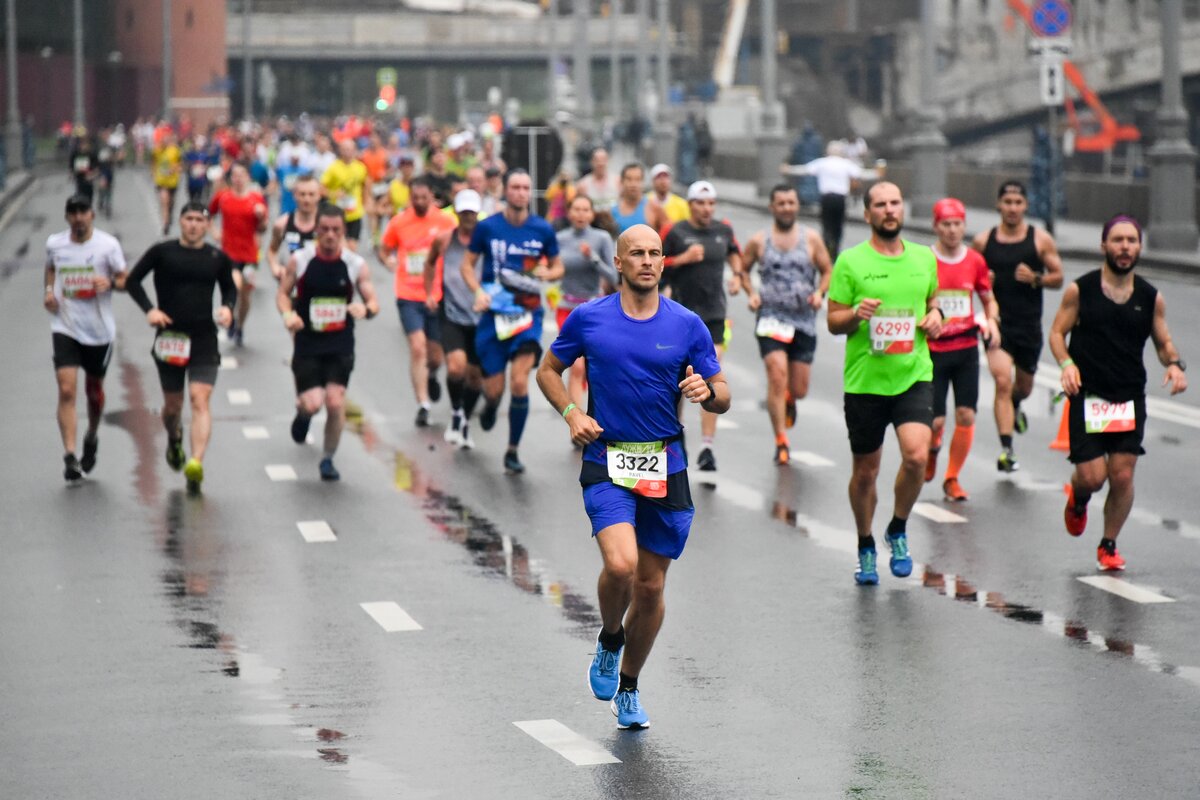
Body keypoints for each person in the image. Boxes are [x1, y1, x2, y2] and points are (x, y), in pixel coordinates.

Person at [536, 223, 730, 730]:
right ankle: (608, 636)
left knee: (650, 589)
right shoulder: (589, 319)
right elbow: (546, 371)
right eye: (636, 254)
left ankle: (629, 685)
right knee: (620, 567)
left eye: (655, 253)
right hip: (607, 458)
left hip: (665, 462)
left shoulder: (688, 325)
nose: (647, 261)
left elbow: (722, 389)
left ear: (664, 263)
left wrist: (708, 393)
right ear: (617, 264)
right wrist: (572, 414)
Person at [1049, 215, 1187, 571]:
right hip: (1088, 394)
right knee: (1093, 478)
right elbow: (1056, 334)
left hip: (1128, 396)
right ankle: (1078, 499)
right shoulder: (1081, 290)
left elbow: (1163, 342)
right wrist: (1066, 365)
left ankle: (1108, 544)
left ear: (1139, 247)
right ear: (1104, 246)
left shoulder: (1150, 297)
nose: (1125, 247)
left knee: (1122, 475)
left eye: (1131, 241)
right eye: (1118, 240)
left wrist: (1174, 364)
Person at [826, 182, 942, 586]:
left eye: (895, 202)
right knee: (865, 473)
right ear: (867, 213)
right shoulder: (850, 262)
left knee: (915, 457)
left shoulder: (925, 258)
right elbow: (833, 321)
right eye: (881, 204)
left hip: (913, 374)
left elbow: (932, 303)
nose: (890, 210)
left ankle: (897, 527)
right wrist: (856, 314)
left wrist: (936, 317)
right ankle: (864, 545)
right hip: (865, 382)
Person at [126, 202, 237, 494]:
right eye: (188, 219)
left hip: (203, 338)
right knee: (173, 407)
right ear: (180, 221)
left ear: (206, 224)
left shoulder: (216, 257)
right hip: (170, 338)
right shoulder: (162, 252)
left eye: (200, 220)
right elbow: (132, 280)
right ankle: (175, 439)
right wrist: (149, 310)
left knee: (200, 399)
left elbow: (230, 287)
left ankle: (196, 463)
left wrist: (228, 308)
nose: (193, 225)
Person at [461, 169, 564, 474]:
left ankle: (512, 450)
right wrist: (477, 291)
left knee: (520, 381)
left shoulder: (542, 229)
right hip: (494, 316)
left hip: (527, 315)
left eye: (525, 188)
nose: (520, 192)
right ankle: (490, 405)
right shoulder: (487, 227)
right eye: (515, 187)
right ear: (505, 191)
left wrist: (550, 273)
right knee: (494, 390)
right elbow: (468, 265)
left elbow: (557, 266)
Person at [278, 204, 380, 481]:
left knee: (335, 402)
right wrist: (288, 315)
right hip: (308, 342)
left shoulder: (354, 264)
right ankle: (302, 416)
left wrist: (366, 309)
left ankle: (327, 459)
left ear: (344, 231)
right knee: (312, 403)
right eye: (324, 229)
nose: (330, 235)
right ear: (316, 230)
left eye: (336, 230)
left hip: (340, 343)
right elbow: (283, 294)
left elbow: (372, 300)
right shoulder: (300, 260)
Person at [972, 180, 1063, 473]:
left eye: (1017, 203)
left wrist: (1037, 278)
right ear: (998, 205)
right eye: (1007, 202)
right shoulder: (983, 241)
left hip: (1028, 326)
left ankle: (1016, 404)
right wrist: (983, 281)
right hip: (996, 324)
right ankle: (1006, 450)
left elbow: (1058, 277)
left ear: (1025, 206)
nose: (1012, 208)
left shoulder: (1040, 240)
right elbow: (967, 277)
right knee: (1001, 381)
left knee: (1022, 388)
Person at [740, 184, 832, 464]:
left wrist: (820, 293)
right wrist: (752, 294)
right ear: (772, 207)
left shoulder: (811, 239)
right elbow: (743, 269)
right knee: (776, 373)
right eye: (781, 203)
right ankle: (781, 440)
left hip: (804, 319)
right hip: (771, 318)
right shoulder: (759, 240)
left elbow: (827, 269)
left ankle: (789, 398)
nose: (786, 208)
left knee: (800, 389)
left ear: (797, 205)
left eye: (791, 202)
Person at [661, 180, 744, 472]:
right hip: (681, 319)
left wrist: (737, 274)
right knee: (680, 382)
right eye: (701, 203)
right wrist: (682, 259)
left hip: (714, 317)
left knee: (712, 377)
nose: (707, 209)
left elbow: (734, 251)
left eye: (711, 204)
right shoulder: (676, 231)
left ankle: (707, 446)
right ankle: (677, 437)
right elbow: (656, 263)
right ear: (690, 204)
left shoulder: (723, 230)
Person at [44, 194, 128, 482]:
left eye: (83, 212)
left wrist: (111, 283)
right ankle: (69, 455)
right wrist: (48, 291)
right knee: (67, 390)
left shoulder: (107, 246)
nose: (78, 218)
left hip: (98, 331)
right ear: (67, 217)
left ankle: (91, 436)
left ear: (92, 215)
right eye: (73, 213)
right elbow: (51, 267)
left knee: (94, 393)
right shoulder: (55, 243)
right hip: (65, 326)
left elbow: (124, 279)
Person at [926, 198, 1001, 501]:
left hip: (966, 349)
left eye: (958, 224)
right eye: (946, 224)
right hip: (933, 349)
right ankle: (932, 450)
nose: (953, 230)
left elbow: (988, 298)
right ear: (936, 226)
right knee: (935, 421)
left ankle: (952, 477)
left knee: (966, 415)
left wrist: (992, 321)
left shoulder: (975, 261)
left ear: (964, 226)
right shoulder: (925, 260)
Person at [379, 176, 457, 426]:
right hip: (408, 294)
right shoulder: (399, 222)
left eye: (425, 198)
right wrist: (387, 260)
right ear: (410, 197)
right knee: (417, 347)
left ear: (432, 197)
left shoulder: (446, 221)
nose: (420, 202)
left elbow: (459, 249)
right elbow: (385, 248)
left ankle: (432, 373)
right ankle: (423, 404)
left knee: (435, 356)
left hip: (437, 295)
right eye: (416, 198)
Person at [425, 190, 486, 448]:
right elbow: (429, 264)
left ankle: (465, 421)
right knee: (456, 367)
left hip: (481, 317)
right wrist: (429, 292)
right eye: (464, 212)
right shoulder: (444, 239)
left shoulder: (486, 241)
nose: (468, 217)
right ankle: (456, 412)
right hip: (451, 313)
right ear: (457, 213)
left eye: (472, 212)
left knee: (476, 378)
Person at [556, 195, 618, 409]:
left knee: (587, 367)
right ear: (569, 213)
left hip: (593, 309)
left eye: (585, 210)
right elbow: (552, 270)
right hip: (566, 308)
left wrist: (593, 258)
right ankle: (578, 423)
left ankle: (587, 412)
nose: (581, 214)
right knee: (577, 366)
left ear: (592, 214)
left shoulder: (601, 239)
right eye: (576, 209)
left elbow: (614, 277)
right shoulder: (560, 238)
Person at [208, 162, 267, 345]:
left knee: (245, 295)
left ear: (248, 177)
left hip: (249, 254)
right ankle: (231, 319)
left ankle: (240, 326)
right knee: (236, 284)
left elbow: (263, 229)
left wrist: (261, 217)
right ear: (231, 178)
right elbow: (208, 215)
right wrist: (215, 232)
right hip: (229, 253)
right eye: (235, 175)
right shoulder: (223, 197)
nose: (238, 178)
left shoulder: (256, 199)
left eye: (242, 175)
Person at [780, 140, 863, 259]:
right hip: (840, 199)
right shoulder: (846, 164)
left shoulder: (822, 163)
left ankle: (827, 245)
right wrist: (878, 173)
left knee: (826, 224)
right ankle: (835, 247)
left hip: (827, 198)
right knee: (838, 224)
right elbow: (861, 174)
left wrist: (788, 169)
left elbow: (805, 170)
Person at [320, 138, 373, 252]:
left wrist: (367, 201)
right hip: (337, 214)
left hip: (355, 213)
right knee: (339, 247)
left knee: (352, 247)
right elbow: (321, 189)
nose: (347, 152)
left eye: (350, 149)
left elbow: (365, 185)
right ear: (340, 150)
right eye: (344, 149)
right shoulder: (333, 168)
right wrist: (333, 194)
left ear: (354, 150)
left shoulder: (360, 167)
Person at [267, 173, 320, 281]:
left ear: (319, 195)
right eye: (302, 194)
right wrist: (275, 267)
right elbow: (272, 250)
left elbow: (344, 252)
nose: (307, 199)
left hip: (320, 283)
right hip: (291, 284)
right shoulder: (282, 224)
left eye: (311, 194)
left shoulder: (328, 225)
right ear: (294, 195)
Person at [611, 163, 668, 234]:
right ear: (622, 181)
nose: (633, 184)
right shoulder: (612, 211)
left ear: (643, 182)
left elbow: (669, 233)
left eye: (638, 179)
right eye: (629, 179)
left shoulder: (654, 207)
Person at [153, 131, 183, 236]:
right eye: (163, 139)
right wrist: (153, 173)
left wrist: (175, 169)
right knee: (164, 202)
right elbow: (154, 162)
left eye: (167, 138)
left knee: (171, 202)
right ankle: (165, 224)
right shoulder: (157, 150)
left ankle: (169, 215)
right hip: (161, 181)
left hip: (173, 181)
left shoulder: (174, 150)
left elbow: (180, 164)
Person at [575, 147, 620, 212]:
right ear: (592, 162)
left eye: (603, 160)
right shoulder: (583, 185)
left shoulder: (618, 181)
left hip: (614, 221)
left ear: (608, 161)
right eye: (597, 160)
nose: (600, 163)